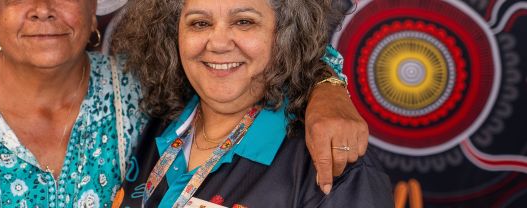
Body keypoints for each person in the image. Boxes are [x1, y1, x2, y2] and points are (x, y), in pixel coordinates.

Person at [0, 0, 369, 207]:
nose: (43, 9)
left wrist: (328, 87)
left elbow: (255, 49)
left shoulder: (141, 88)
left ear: (93, 18)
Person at [111, 0, 392, 207]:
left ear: (284, 34)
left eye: (244, 21)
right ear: (174, 34)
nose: (218, 42)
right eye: (200, 23)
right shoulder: (150, 125)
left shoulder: (333, 164)